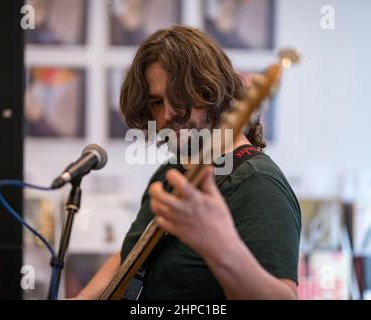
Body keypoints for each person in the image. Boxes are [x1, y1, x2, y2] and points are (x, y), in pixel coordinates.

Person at [75, 25, 301, 300]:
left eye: (179, 94)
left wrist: (220, 246)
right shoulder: (171, 172)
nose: (168, 113)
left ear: (212, 90)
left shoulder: (258, 183)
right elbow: (133, 255)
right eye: (156, 102)